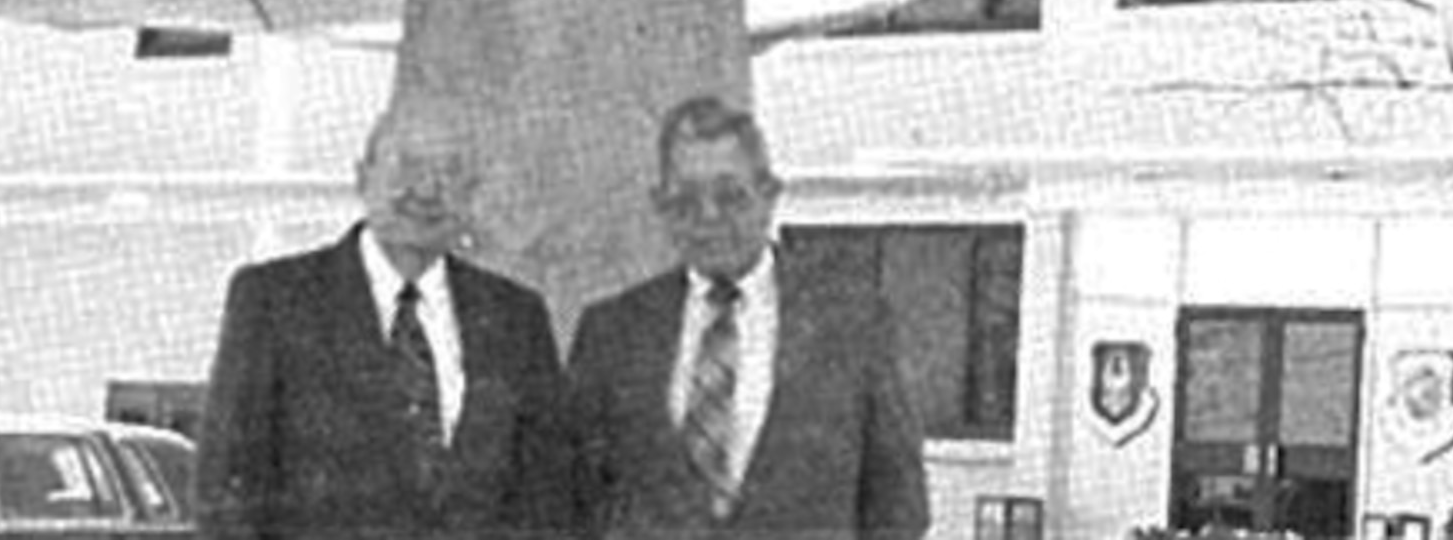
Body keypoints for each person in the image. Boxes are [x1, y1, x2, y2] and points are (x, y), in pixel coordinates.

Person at [196, 94, 571, 540]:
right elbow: (227, 490)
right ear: (362, 177)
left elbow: (549, 496)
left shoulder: (515, 317)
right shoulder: (276, 299)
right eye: (407, 166)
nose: (428, 189)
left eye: (450, 172)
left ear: (472, 194)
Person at [567, 94, 930, 540]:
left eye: (730, 196)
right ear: (659, 206)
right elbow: (575, 502)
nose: (709, 217)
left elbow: (899, 506)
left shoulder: (853, 323)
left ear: (770, 194)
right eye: (685, 201)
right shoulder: (612, 332)